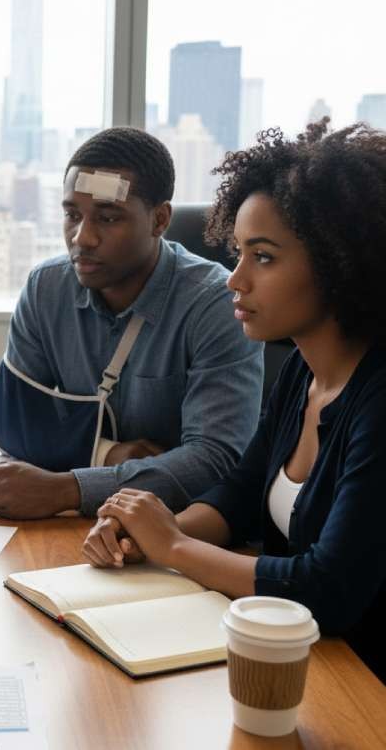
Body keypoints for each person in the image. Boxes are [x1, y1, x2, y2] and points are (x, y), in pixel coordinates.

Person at [83, 120, 386, 682]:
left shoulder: (378, 400)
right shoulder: (302, 371)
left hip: (361, 685)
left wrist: (174, 546)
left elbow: (329, 588)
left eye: (263, 258)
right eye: (239, 253)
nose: (235, 280)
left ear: (340, 261)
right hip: (302, 661)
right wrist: (150, 532)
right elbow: (239, 497)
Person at [0, 127, 263, 519]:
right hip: (77, 527)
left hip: (180, 527)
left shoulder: (215, 304)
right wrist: (107, 454)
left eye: (108, 218)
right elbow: (10, 421)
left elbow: (215, 460)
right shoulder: (47, 287)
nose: (82, 238)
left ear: (159, 220)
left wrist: (68, 489)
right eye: (72, 215)